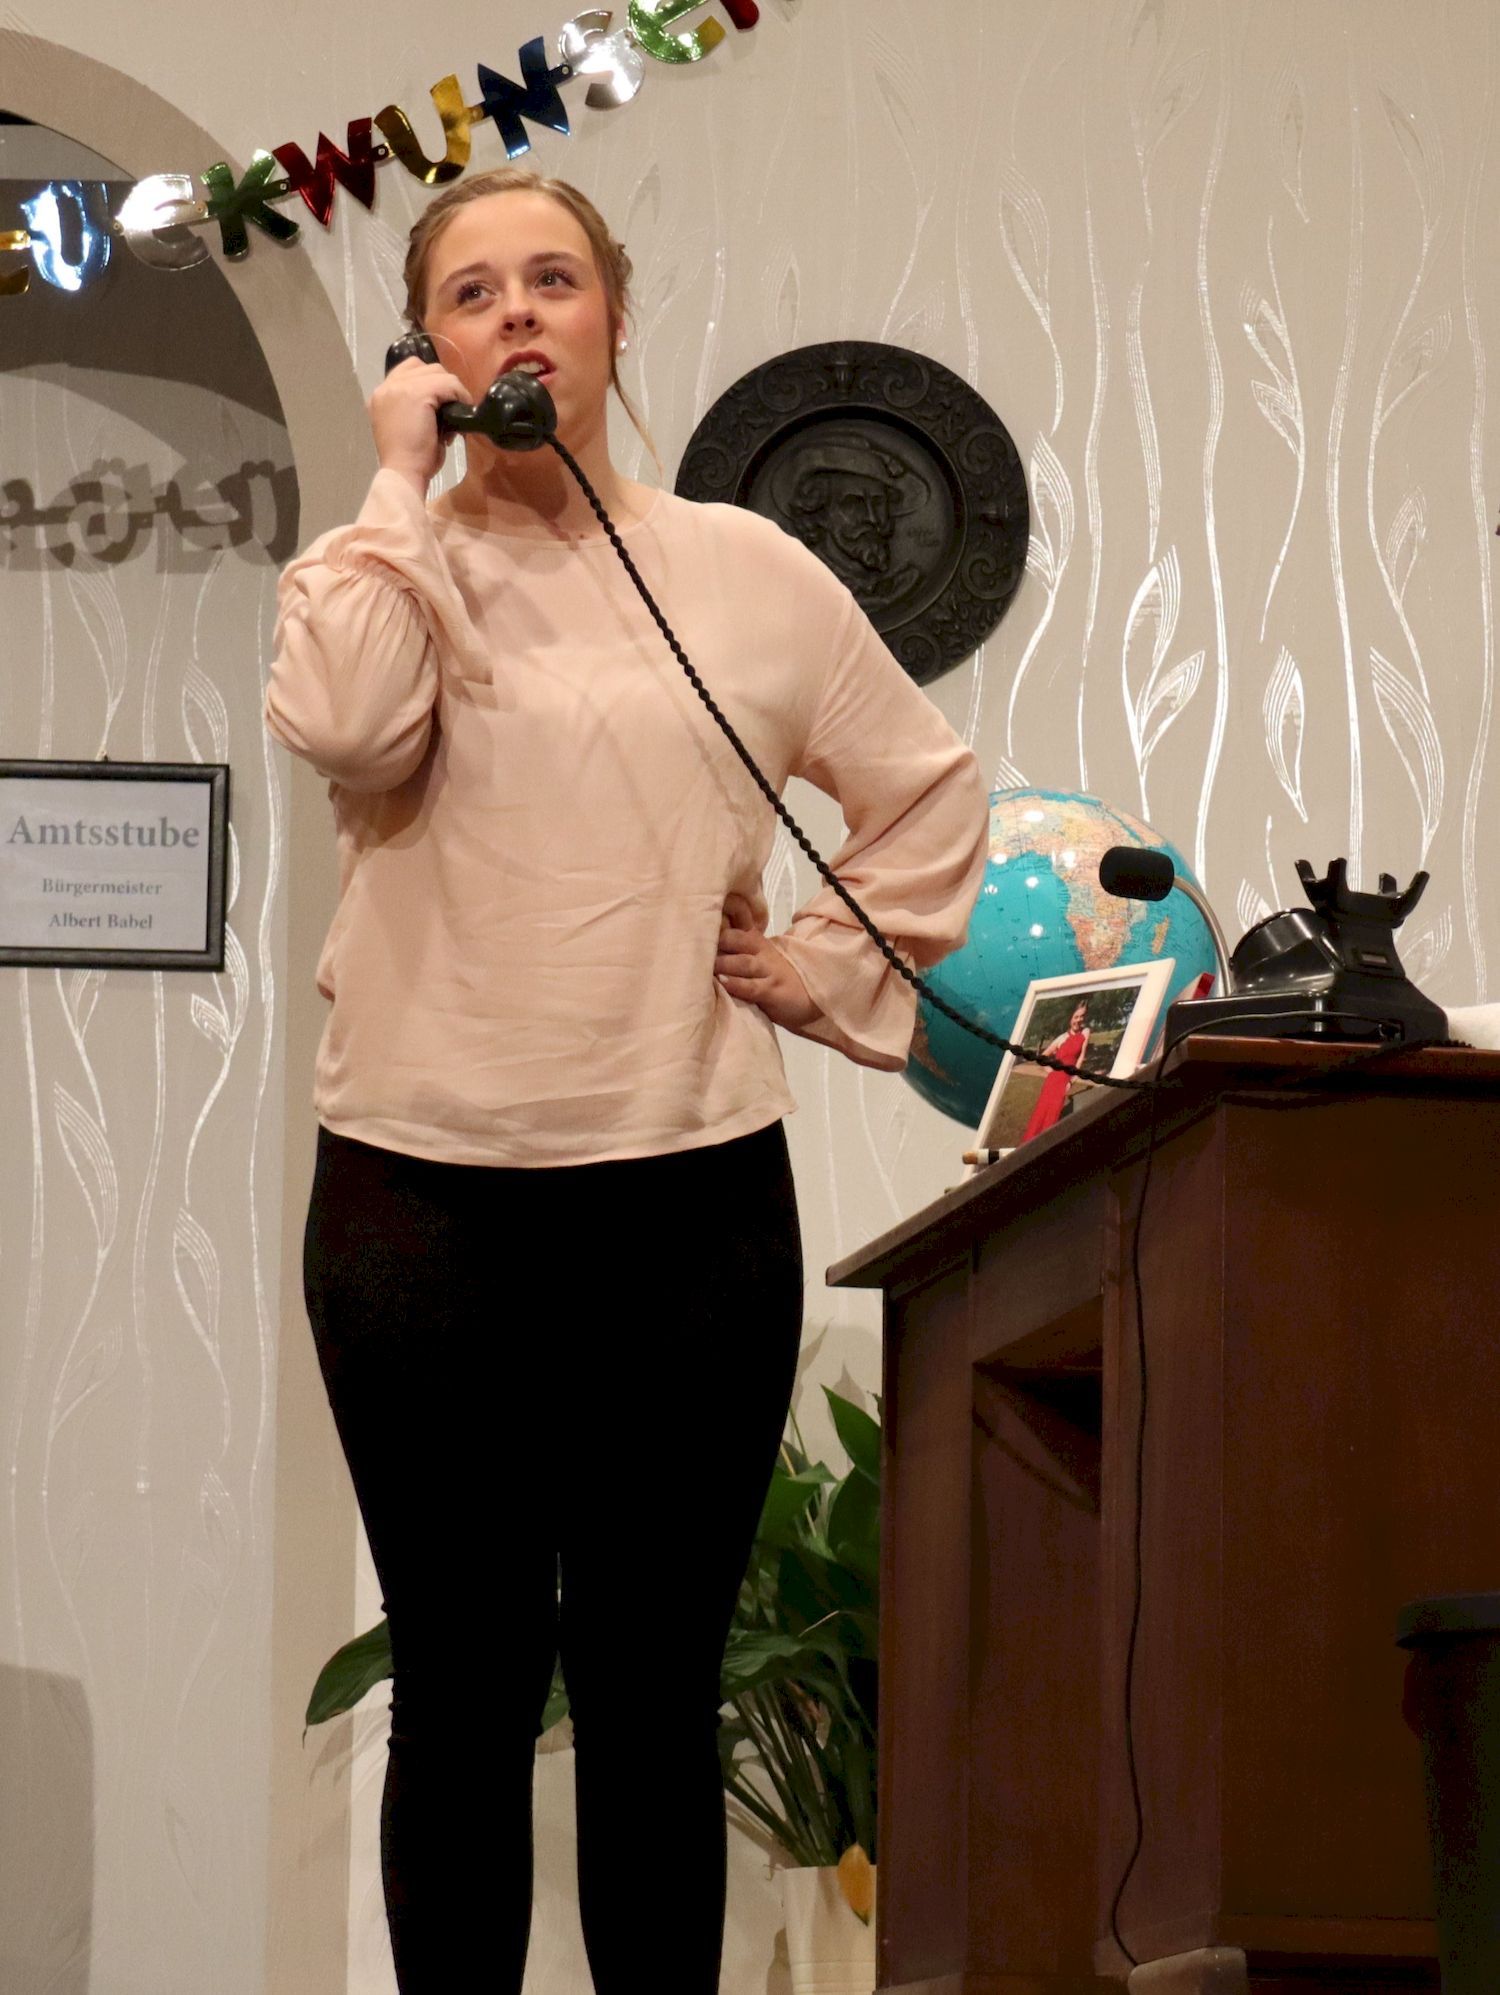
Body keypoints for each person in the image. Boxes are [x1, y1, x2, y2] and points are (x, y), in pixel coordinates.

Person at [264, 163, 988, 1994]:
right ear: (427, 349)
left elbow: (925, 792)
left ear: (611, 318)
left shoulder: (748, 571)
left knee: (656, 1694)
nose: (517, 312)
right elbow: (346, 723)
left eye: (554, 280)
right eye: (473, 292)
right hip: (417, 1199)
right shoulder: (381, 566)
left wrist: (820, 966)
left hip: (686, 1200)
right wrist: (398, 484)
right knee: (462, 1682)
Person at [1020, 999, 1092, 1142]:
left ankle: (1043, 1145)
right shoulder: (1061, 1038)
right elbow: (1042, 1057)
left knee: (1053, 1116)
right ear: (1070, 1018)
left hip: (1065, 1081)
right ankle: (1029, 1145)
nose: (1079, 1020)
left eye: (1082, 1016)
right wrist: (1051, 1071)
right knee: (1040, 1114)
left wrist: (1072, 1081)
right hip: (1053, 1081)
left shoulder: (1086, 1032)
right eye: (1076, 1017)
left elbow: (1080, 1058)